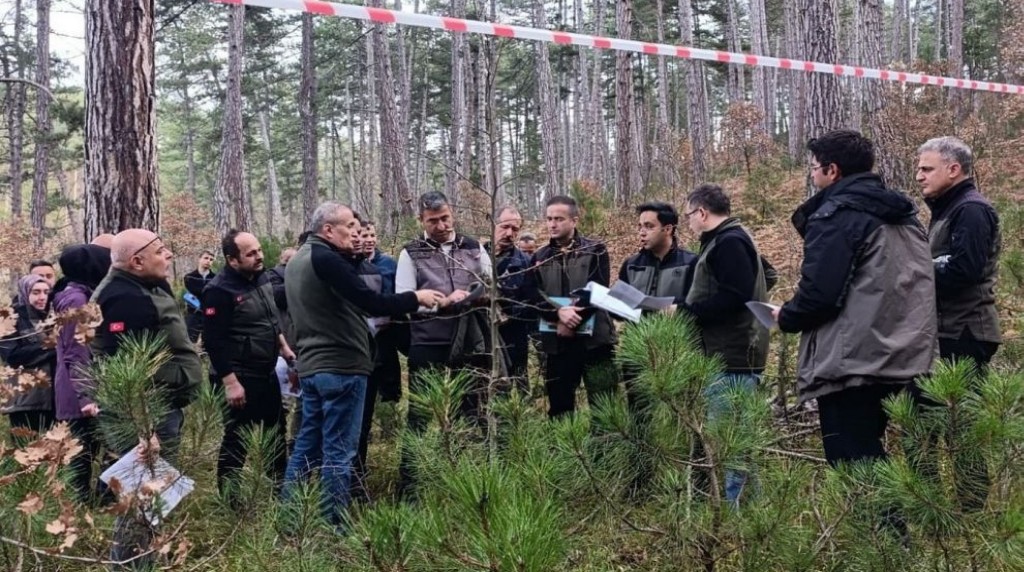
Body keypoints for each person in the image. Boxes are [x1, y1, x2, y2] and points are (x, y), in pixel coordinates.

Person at [773, 130, 937, 467]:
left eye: (814, 168)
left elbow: (819, 295)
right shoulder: (906, 217)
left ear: (832, 170)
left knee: (853, 464)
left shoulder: (837, 216)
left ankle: (886, 507)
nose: (812, 175)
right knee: (895, 461)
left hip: (853, 361)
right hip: (907, 355)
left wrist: (786, 316)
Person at [283, 201, 444, 527]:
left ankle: (290, 518)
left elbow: (338, 295)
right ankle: (335, 524)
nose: (355, 234)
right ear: (328, 230)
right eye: (349, 227)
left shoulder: (301, 258)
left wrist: (354, 256)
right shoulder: (325, 258)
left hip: (313, 366)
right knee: (339, 451)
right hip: (341, 366)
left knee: (307, 445)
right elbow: (371, 302)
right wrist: (417, 298)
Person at [914, 136, 1001, 510]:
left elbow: (965, 269)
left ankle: (971, 513)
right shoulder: (948, 209)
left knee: (959, 426)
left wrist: (915, 271)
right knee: (927, 424)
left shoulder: (971, 210)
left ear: (953, 169)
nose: (919, 176)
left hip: (965, 332)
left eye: (927, 168)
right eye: (919, 168)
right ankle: (932, 509)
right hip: (945, 331)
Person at [395, 191, 493, 494]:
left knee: (471, 409)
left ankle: (466, 480)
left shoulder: (473, 247)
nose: (441, 225)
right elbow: (404, 299)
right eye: (433, 221)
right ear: (421, 220)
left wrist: (479, 295)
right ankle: (410, 486)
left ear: (452, 214)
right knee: (421, 414)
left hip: (469, 340)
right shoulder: (411, 253)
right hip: (428, 341)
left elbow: (492, 285)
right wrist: (444, 302)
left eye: (445, 218)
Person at [680, 187, 769, 504]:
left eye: (689, 216)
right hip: (730, 353)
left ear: (702, 213)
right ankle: (750, 508)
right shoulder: (730, 239)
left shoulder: (729, 242)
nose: (689, 223)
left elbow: (734, 297)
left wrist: (687, 311)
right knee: (736, 441)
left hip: (732, 357)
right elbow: (764, 276)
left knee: (731, 441)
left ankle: (736, 513)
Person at [202, 230, 295, 494]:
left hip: (265, 371)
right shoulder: (218, 290)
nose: (259, 256)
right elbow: (213, 341)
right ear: (232, 260)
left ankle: (279, 491)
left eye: (259, 250)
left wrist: (283, 347)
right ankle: (231, 499)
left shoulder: (261, 277)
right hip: (239, 375)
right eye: (251, 253)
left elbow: (270, 319)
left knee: (275, 432)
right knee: (237, 439)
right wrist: (231, 383)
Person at [528, 195, 619, 418]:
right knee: (560, 410)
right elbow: (533, 296)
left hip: (595, 342)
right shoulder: (539, 257)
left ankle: (606, 442)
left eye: (559, 219)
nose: (552, 224)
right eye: (549, 219)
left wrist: (572, 321)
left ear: (574, 220)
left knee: (605, 407)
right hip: (557, 343)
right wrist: (557, 314)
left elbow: (597, 290)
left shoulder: (595, 250)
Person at [51, 243, 112, 502]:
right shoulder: (77, 300)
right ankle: (79, 508)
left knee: (90, 451)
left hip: (80, 387)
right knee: (81, 455)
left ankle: (94, 502)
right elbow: (76, 351)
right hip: (79, 393)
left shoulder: (81, 295)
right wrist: (86, 396)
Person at [351, 219, 404, 500]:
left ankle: (358, 477)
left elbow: (396, 298)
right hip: (353, 350)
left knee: (379, 404)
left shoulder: (386, 265)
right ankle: (349, 478)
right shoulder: (345, 267)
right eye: (361, 234)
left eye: (371, 234)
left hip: (383, 344)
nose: (367, 239)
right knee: (354, 419)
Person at [1, 274, 56, 437]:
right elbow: (12, 356)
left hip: (53, 400)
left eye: (46, 292)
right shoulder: (10, 320)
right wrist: (51, 347)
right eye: (36, 292)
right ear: (25, 293)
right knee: (26, 448)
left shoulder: (52, 318)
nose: (42, 297)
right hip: (25, 401)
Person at [490, 206, 537, 393]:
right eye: (505, 227)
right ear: (493, 224)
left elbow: (532, 303)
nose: (509, 233)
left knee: (518, 384)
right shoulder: (475, 255)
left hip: (514, 337)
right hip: (482, 338)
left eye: (515, 229)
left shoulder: (525, 263)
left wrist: (509, 311)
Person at [183, 250, 216, 342]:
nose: (208, 261)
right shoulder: (189, 277)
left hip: (210, 314)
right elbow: (196, 291)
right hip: (194, 313)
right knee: (190, 340)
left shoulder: (215, 278)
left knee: (210, 342)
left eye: (211, 259)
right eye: (206, 258)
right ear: (199, 259)